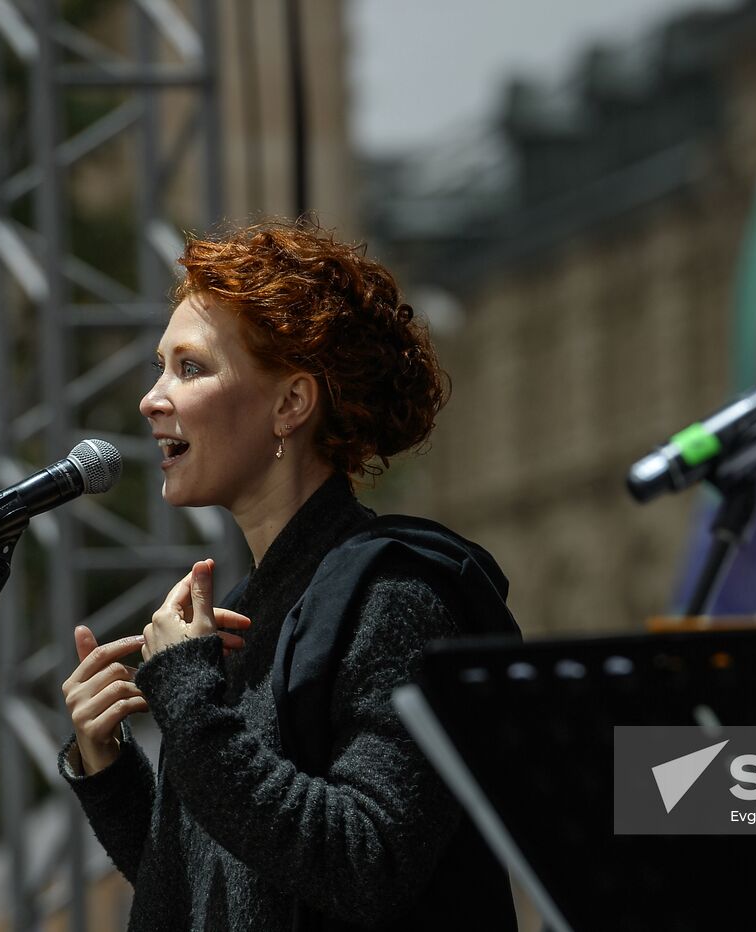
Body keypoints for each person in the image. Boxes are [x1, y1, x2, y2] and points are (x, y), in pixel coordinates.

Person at [58, 219, 520, 930]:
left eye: (190, 367)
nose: (152, 398)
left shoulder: (396, 598)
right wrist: (108, 766)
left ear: (290, 404)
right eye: (160, 366)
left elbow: (364, 862)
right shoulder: (256, 607)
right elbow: (227, 877)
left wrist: (187, 697)